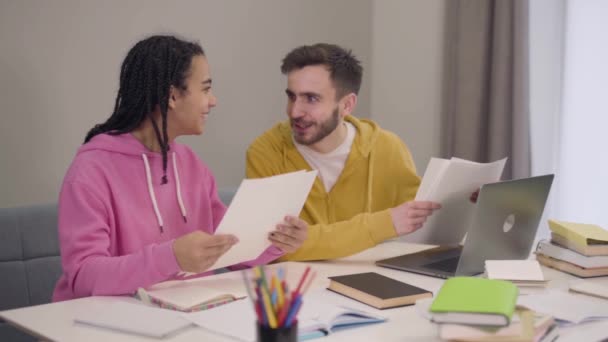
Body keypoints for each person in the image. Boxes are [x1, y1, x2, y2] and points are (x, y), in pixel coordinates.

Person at [53, 35, 307, 301]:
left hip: (181, 316)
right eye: (206, 89)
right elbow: (83, 277)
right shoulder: (90, 172)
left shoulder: (190, 164)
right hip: (100, 324)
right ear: (173, 96)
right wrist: (171, 257)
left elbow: (227, 246)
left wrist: (275, 242)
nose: (213, 101)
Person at [246, 43, 441, 261]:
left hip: (368, 282)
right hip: (297, 288)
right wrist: (383, 225)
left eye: (311, 99)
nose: (294, 111)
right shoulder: (265, 152)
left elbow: (417, 229)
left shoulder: (388, 148)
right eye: (292, 96)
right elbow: (272, 250)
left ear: (347, 105)